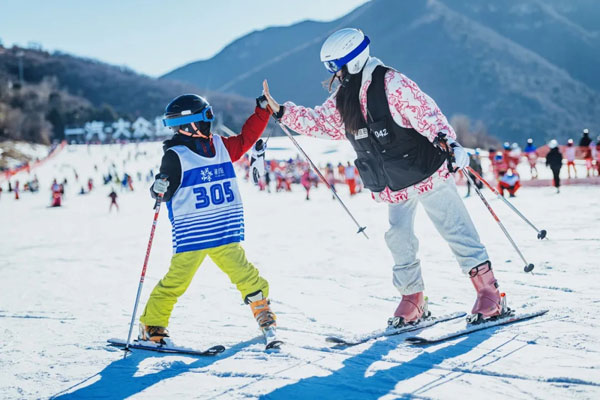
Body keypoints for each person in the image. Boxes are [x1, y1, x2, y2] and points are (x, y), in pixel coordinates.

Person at [261, 28, 503, 325]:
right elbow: (323, 123)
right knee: (398, 238)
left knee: (454, 228)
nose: (332, 72)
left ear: (352, 59)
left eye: (333, 65)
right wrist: (282, 111)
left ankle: (488, 291)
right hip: (394, 182)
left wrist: (449, 143)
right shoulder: (344, 96)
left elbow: (426, 114)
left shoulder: (391, 83)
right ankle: (413, 298)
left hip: (426, 170)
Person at [138, 94, 277, 344]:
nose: (208, 125)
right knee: (176, 282)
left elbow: (246, 139)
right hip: (194, 234)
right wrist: (157, 188)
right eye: (205, 120)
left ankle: (262, 309)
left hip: (223, 229)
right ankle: (152, 325)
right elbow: (165, 189)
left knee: (244, 273)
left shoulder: (220, 146)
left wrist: (262, 111)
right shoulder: (175, 155)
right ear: (190, 125)